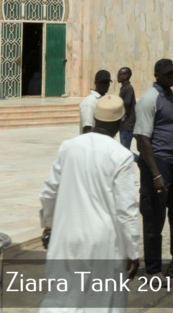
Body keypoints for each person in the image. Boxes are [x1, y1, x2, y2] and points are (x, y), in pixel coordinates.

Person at [39, 94, 139, 313]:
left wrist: (48, 226)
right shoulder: (120, 155)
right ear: (120, 122)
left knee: (62, 300)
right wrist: (132, 250)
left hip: (66, 237)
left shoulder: (68, 147)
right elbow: (126, 210)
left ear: (95, 117)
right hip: (102, 243)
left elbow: (49, 192)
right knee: (100, 303)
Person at [133, 59, 173, 278]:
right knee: (154, 218)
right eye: (167, 74)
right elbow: (142, 138)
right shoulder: (148, 99)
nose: (172, 77)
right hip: (157, 163)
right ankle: (153, 270)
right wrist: (156, 174)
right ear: (157, 75)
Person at [80, 69, 112, 133]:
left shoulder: (104, 99)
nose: (105, 85)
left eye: (107, 82)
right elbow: (87, 129)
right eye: (102, 82)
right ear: (96, 83)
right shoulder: (89, 102)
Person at [117, 67, 136, 149]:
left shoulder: (128, 88)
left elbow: (126, 105)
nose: (118, 76)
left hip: (127, 126)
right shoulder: (124, 88)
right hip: (124, 125)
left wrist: (120, 118)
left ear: (126, 76)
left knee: (125, 151)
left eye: (120, 74)